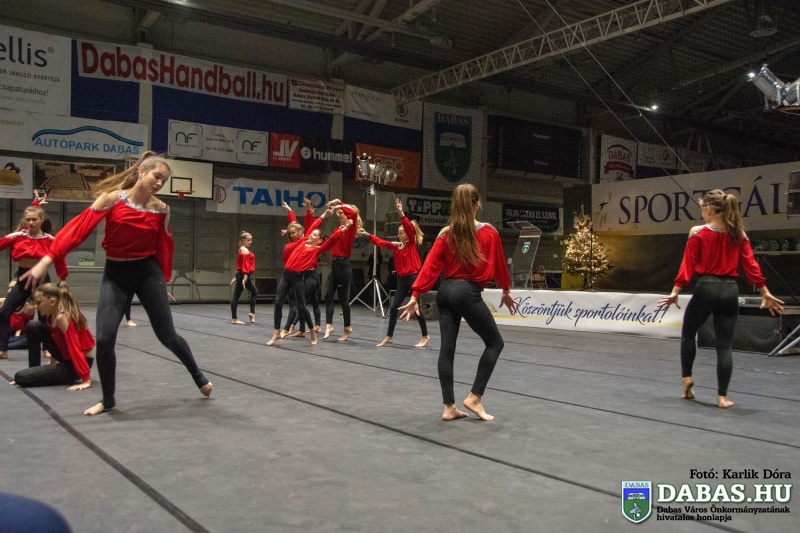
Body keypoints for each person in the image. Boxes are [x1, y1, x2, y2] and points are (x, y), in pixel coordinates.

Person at [21, 151, 212, 416]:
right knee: (105, 338)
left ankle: (199, 377)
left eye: (164, 180)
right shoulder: (112, 199)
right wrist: (47, 260)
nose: (159, 183)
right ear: (142, 172)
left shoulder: (161, 209)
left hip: (147, 273)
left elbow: (163, 246)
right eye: (157, 176)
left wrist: (162, 282)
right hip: (116, 274)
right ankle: (108, 400)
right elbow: (78, 229)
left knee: (166, 335)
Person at [400, 184, 517, 421]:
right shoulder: (488, 232)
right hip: (466, 292)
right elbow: (499, 265)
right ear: (477, 205)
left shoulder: (446, 233)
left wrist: (415, 294)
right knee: (495, 343)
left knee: (447, 348)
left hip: (445, 292)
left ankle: (449, 406)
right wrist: (505, 289)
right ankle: (475, 397)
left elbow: (430, 266)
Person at [657, 189, 783, 409]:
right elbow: (751, 265)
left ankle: (687, 378)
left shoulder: (698, 232)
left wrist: (676, 291)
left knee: (689, 332)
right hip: (729, 290)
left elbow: (687, 264)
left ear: (708, 209)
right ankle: (722, 397)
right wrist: (764, 292)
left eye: (702, 209)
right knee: (724, 345)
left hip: (706, 287)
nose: (701, 213)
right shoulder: (738, 234)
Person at [358, 198, 429, 348]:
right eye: (398, 233)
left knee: (415, 308)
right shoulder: (396, 246)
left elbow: (409, 229)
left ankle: (425, 335)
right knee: (394, 306)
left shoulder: (411, 243)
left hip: (414, 278)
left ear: (408, 234)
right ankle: (389, 336)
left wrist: (401, 213)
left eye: (402, 233)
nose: (399, 235)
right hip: (402, 280)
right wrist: (367, 234)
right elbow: (381, 243)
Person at [0, 205, 66, 359]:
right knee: (4, 311)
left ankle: (48, 348)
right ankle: (3, 349)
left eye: (34, 219)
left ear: (41, 220)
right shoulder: (17, 236)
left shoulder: (50, 240)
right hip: (23, 279)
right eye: (28, 219)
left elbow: (59, 259)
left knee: (44, 317)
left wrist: (63, 279)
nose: (31, 222)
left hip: (42, 281)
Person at [267, 208, 340, 346]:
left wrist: (341, 230)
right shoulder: (303, 241)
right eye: (310, 234)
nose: (310, 235)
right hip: (286, 274)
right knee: (278, 303)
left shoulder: (316, 250)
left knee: (301, 306)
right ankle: (276, 332)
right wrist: (323, 215)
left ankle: (312, 330)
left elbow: (330, 241)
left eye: (314, 235)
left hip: (298, 277)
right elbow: (310, 226)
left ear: (319, 241)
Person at [12, 283, 95, 390]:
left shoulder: (63, 317)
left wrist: (86, 379)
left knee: (20, 377)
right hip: (67, 358)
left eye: (39, 302)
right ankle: (33, 370)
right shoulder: (51, 315)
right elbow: (57, 340)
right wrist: (51, 363)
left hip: (77, 364)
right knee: (33, 325)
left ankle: (32, 375)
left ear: (52, 302)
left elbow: (75, 347)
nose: (36, 306)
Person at [323, 199, 361, 341]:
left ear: (347, 215)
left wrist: (339, 205)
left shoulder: (351, 227)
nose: (338, 215)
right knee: (328, 295)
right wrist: (336, 202)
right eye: (338, 213)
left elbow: (354, 212)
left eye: (341, 213)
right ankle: (329, 325)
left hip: (343, 264)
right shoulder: (339, 228)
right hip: (334, 264)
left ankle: (347, 327)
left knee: (343, 298)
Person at [230, 231, 258, 325]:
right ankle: (234, 319)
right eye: (248, 240)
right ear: (243, 240)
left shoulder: (241, 249)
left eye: (251, 240)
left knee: (254, 292)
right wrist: (244, 278)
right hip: (243, 275)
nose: (250, 242)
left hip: (242, 275)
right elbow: (244, 266)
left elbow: (240, 264)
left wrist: (236, 276)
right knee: (236, 297)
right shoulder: (245, 251)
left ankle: (252, 313)